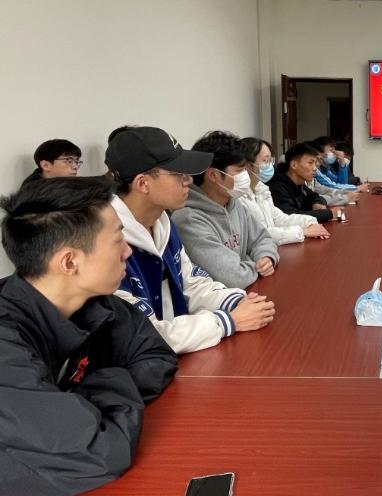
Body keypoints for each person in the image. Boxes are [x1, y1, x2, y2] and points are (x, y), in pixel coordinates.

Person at [0, 177, 177, 494]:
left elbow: (156, 356)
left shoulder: (95, 303)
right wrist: (106, 389)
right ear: (70, 261)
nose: (127, 252)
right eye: (118, 240)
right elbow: (97, 452)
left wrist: (81, 402)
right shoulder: (5, 343)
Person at [106, 127, 276, 354]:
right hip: (142, 364)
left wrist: (236, 300)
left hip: (176, 355)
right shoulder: (104, 243)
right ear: (143, 183)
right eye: (178, 174)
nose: (188, 180)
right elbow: (145, 334)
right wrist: (227, 321)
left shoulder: (162, 223)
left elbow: (191, 282)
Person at [171, 131, 280, 289]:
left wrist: (266, 257)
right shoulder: (188, 219)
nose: (245, 176)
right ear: (213, 175)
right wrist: (255, 264)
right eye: (239, 171)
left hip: (251, 292)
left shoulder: (233, 202)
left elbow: (262, 238)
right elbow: (233, 277)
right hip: (224, 301)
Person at [240, 137, 330, 243]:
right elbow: (259, 234)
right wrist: (303, 231)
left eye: (270, 161)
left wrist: (310, 222)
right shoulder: (240, 196)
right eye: (265, 161)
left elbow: (279, 218)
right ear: (248, 165)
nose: (269, 166)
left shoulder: (261, 189)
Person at [267, 142, 340, 223]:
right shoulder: (277, 187)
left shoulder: (299, 184)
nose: (315, 168)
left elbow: (315, 196)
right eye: (310, 163)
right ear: (294, 165)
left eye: (315, 163)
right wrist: (329, 214)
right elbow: (291, 216)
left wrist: (317, 203)